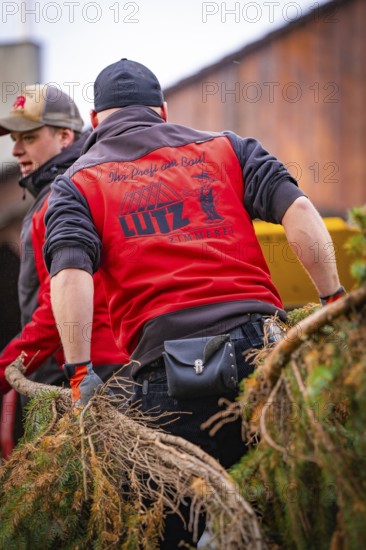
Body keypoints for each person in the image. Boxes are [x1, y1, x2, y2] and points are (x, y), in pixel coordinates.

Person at [44, 59, 345, 547]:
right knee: (289, 514)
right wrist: (332, 301)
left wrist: (80, 372)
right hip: (264, 353)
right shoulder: (229, 147)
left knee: (176, 526)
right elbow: (300, 211)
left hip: (167, 377)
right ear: (161, 110)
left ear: (95, 122)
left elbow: (71, 272)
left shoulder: (76, 183)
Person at [0, 85, 125, 435]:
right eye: (14, 137)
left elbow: (55, 313)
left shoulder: (61, 198)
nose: (16, 148)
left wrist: (5, 369)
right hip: (108, 371)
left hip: (87, 376)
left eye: (29, 137)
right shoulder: (89, 183)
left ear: (65, 136)